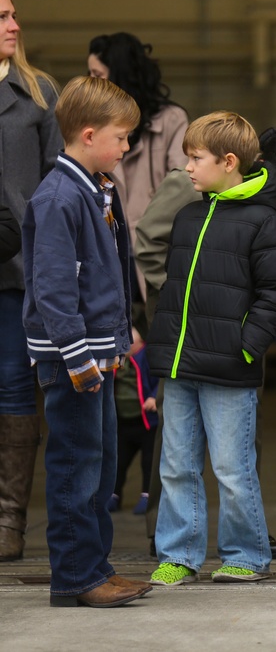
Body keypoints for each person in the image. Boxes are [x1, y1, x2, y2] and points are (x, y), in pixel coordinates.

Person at [134, 128, 276, 561]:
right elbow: (150, 245)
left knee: (235, 456)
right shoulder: (189, 192)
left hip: (234, 347)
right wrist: (185, 306)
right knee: (177, 456)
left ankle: (244, 547)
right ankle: (172, 548)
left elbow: (275, 282)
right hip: (183, 341)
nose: (188, 165)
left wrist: (247, 341)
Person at [22, 76, 150, 607]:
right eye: (121, 138)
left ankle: (95, 564)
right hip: (72, 359)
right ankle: (75, 576)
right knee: (76, 467)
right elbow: (53, 287)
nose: (126, 148)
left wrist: (120, 336)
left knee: (97, 465)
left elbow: (105, 274)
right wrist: (78, 356)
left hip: (99, 353)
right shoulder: (58, 197)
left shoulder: (99, 188)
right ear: (90, 134)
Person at [0, 0, 61, 563]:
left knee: (16, 387)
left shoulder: (39, 93)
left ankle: (8, 522)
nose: (15, 24)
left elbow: (54, 186)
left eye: (14, 13)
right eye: (2, 16)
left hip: (15, 267)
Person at [87, 32, 188, 333]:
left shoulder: (172, 121)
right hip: (108, 260)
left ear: (120, 76)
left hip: (159, 258)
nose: (92, 84)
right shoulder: (91, 130)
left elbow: (185, 187)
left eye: (98, 75)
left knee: (160, 356)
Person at [108, 327, 158, 515]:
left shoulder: (146, 357)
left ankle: (147, 495)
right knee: (118, 461)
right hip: (124, 422)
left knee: (149, 462)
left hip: (146, 422)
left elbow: (160, 379)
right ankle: (113, 494)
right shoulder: (118, 362)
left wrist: (153, 398)